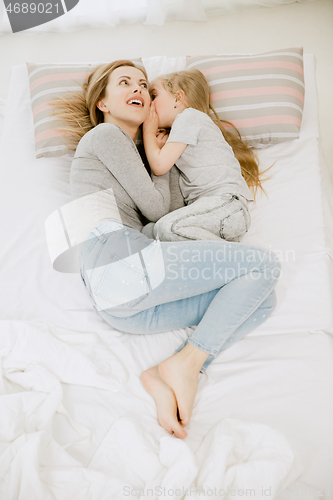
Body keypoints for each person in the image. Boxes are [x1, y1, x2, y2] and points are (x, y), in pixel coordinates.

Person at [51, 60, 281, 440]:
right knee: (265, 265)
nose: (139, 89)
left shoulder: (144, 157)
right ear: (103, 104)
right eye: (125, 83)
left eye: (143, 84)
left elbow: (170, 210)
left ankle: (170, 370)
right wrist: (148, 130)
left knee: (262, 301)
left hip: (125, 308)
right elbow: (160, 211)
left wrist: (156, 140)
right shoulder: (104, 138)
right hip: (121, 264)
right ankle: (189, 365)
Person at [143, 69, 264, 242]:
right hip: (210, 217)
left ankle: (245, 257)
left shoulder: (189, 117)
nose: (149, 104)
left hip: (226, 206)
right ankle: (228, 257)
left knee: (166, 228)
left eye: (154, 96)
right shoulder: (179, 137)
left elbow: (159, 166)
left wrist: (148, 131)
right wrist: (159, 147)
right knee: (149, 232)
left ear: (178, 98)